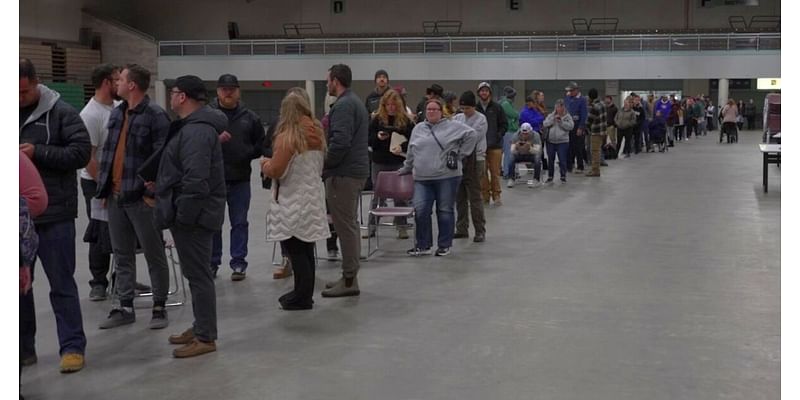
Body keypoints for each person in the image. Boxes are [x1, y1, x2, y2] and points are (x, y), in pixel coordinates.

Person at [19, 58, 90, 373]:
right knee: (18, 287)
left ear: (36, 82)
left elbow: (81, 153)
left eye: (24, 91)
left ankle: (72, 346)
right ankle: (23, 348)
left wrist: (38, 152)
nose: (19, 98)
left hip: (55, 215)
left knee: (61, 283)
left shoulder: (62, 113)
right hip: (17, 219)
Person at [150, 75, 226, 358]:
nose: (170, 97)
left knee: (198, 275)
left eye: (174, 92)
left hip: (195, 217)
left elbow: (196, 180)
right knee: (195, 274)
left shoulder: (196, 131)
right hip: (193, 213)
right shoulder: (193, 127)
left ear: (183, 97)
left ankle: (205, 337)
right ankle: (200, 325)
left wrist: (183, 216)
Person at [95, 64, 171, 330]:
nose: (116, 83)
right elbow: (108, 154)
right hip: (116, 197)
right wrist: (104, 189)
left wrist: (152, 193)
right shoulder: (117, 113)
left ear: (132, 85)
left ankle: (159, 306)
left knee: (154, 253)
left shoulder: (155, 116)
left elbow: (164, 158)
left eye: (121, 79)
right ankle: (124, 306)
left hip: (142, 200)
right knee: (122, 254)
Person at [262, 91, 330, 310]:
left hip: (293, 199)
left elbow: (277, 170)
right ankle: (304, 293)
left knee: (295, 248)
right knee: (306, 247)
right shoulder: (317, 132)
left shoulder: (288, 137)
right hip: (312, 197)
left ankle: (301, 297)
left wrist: (265, 164)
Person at [400, 98, 478, 257]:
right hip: (422, 178)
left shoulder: (453, 126)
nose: (431, 112)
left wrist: (460, 154)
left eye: (435, 109)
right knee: (421, 210)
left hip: (446, 177)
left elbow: (472, 134)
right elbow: (411, 150)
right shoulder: (418, 128)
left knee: (444, 210)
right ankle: (423, 245)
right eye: (428, 109)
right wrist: (407, 168)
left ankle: (444, 245)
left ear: (441, 112)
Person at [209, 74, 265, 281]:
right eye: (224, 88)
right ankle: (212, 262)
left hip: (240, 178)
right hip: (214, 179)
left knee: (239, 222)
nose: (228, 92)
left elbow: (261, 145)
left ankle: (238, 262)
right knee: (214, 223)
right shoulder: (208, 115)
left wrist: (246, 152)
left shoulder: (250, 117)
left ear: (238, 91)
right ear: (217, 91)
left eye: (232, 88)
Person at [321, 64, 370, 298]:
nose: (326, 84)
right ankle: (348, 275)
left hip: (344, 174)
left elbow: (340, 142)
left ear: (336, 80)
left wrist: (325, 165)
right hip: (354, 172)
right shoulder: (354, 102)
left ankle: (350, 279)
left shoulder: (343, 105)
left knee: (345, 228)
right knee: (348, 226)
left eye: (328, 80)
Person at [79, 63, 120, 301]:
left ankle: (121, 277)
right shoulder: (90, 115)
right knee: (100, 231)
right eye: (116, 80)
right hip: (95, 183)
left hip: (115, 181)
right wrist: (103, 187)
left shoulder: (117, 107)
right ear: (106, 82)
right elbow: (88, 157)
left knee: (120, 231)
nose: (119, 84)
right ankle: (98, 281)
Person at [366, 89, 414, 239]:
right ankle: (372, 227)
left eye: (394, 104)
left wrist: (402, 147)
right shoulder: (376, 120)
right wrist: (378, 138)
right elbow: (369, 141)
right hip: (379, 162)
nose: (391, 107)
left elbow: (413, 141)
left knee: (400, 196)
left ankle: (402, 226)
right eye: (388, 105)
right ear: (384, 105)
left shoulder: (406, 121)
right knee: (377, 196)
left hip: (398, 161)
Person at [453, 91, 488, 242]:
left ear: (473, 106)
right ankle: (461, 228)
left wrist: (459, 135)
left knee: (475, 197)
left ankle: (480, 230)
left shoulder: (481, 119)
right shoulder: (457, 118)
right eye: (462, 108)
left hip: (476, 159)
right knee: (459, 197)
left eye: (468, 108)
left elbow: (473, 137)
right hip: (459, 160)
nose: (465, 111)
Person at [476, 82, 507, 206]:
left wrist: (498, 135)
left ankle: (497, 195)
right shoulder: (475, 108)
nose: (484, 93)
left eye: (486, 90)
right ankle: (485, 196)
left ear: (490, 93)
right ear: (478, 93)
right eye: (482, 91)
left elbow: (504, 124)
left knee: (495, 172)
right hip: (480, 147)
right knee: (482, 173)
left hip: (495, 146)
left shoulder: (497, 108)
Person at [543, 99, 574, 183]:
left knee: (562, 159)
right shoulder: (551, 115)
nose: (558, 109)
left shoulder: (567, 116)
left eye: (560, 107)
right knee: (550, 159)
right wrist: (552, 120)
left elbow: (571, 127)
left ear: (563, 107)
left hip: (563, 142)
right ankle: (550, 176)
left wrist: (561, 122)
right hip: (551, 141)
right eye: (557, 107)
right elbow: (545, 123)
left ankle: (563, 176)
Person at [508, 122, 543, 187]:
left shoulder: (536, 136)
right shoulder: (516, 136)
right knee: (511, 158)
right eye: (523, 133)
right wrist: (517, 147)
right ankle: (511, 179)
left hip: (531, 155)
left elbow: (538, 151)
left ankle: (536, 180)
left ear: (530, 131)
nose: (525, 135)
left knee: (537, 158)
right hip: (520, 154)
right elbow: (512, 151)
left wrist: (529, 148)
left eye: (526, 133)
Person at [563, 81, 587, 173]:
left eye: (572, 90)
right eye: (570, 91)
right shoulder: (568, 98)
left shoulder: (582, 100)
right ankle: (569, 165)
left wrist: (581, 127)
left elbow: (584, 114)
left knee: (578, 147)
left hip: (577, 125)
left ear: (576, 90)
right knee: (569, 146)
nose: (571, 92)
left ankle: (580, 166)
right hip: (568, 125)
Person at [499, 86, 520, 183]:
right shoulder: (506, 104)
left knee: (506, 153)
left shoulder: (503, 103)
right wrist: (516, 116)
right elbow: (514, 114)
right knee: (509, 153)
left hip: (507, 131)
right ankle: (507, 173)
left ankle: (506, 171)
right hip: (509, 131)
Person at [585, 88, 606, 177]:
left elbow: (589, 120)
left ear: (590, 97)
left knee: (594, 151)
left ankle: (595, 170)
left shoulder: (594, 106)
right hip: (603, 131)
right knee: (598, 150)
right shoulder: (603, 104)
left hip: (595, 132)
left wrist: (586, 128)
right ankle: (595, 169)